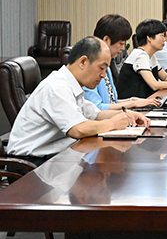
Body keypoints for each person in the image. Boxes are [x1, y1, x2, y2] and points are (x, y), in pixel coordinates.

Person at [7, 37, 150, 162]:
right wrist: (113, 123)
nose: (103, 75)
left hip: (55, 157)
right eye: (101, 68)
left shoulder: (72, 86)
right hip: (31, 164)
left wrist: (127, 115)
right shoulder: (56, 87)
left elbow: (96, 114)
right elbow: (78, 129)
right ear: (83, 62)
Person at [84, 14, 161, 110]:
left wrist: (134, 101)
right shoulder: (90, 67)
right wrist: (132, 104)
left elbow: (112, 102)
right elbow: (97, 109)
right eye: (121, 43)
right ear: (106, 40)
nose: (123, 48)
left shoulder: (108, 65)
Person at [116, 19, 167, 99]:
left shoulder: (151, 56)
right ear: (149, 38)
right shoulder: (140, 55)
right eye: (161, 36)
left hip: (148, 100)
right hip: (134, 103)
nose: (164, 40)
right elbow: (154, 85)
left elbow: (165, 77)